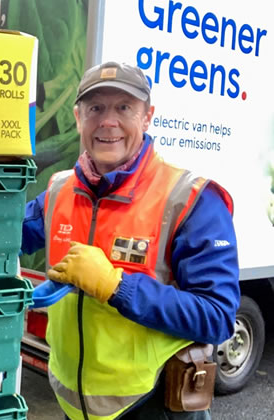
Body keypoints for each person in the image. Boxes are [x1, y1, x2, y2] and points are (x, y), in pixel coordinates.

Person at [21, 62, 240, 420]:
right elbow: (5, 235)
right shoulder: (58, 191)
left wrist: (116, 286)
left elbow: (216, 317)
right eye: (96, 108)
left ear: (147, 117)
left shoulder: (189, 199)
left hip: (150, 405)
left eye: (124, 107)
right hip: (73, 405)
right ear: (78, 118)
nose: (108, 121)